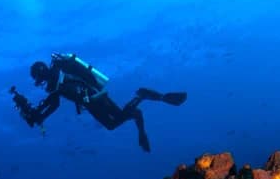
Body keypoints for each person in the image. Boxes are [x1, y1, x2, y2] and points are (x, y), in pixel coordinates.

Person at [10, 53, 187, 152]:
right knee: (118, 117)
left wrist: (38, 116)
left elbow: (53, 103)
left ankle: (140, 99)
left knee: (112, 123)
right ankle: (142, 98)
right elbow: (53, 101)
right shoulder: (59, 73)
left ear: (41, 74)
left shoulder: (56, 79)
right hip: (97, 95)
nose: (40, 83)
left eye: (39, 79)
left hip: (93, 101)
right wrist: (40, 115)